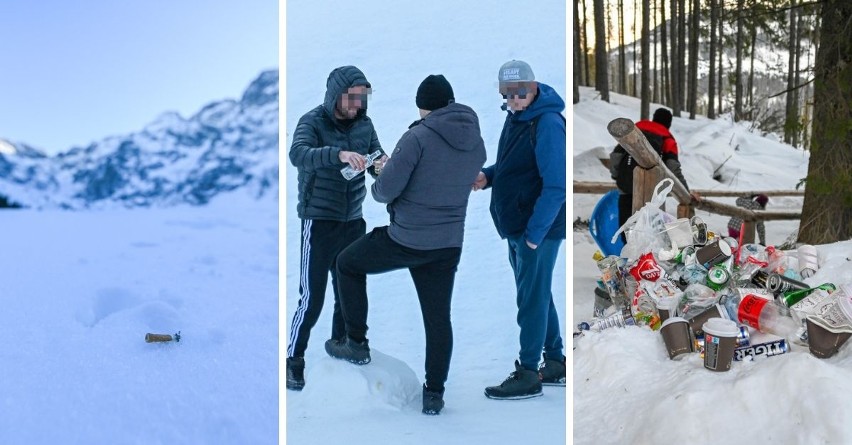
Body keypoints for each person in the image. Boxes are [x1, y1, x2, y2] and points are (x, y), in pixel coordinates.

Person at [325, 74, 487, 415]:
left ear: (422, 106)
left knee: (347, 264)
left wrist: (385, 170)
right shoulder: (475, 139)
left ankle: (356, 343)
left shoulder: (417, 137)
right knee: (438, 318)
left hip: (406, 239)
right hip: (447, 245)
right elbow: (453, 177)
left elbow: (385, 192)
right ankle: (434, 394)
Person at [286, 65, 387, 391]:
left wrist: (380, 165)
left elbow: (376, 155)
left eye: (362, 98)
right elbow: (298, 154)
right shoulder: (312, 121)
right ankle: (293, 360)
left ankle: (342, 343)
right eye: (352, 97)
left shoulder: (365, 124)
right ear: (336, 95)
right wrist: (338, 154)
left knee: (349, 290)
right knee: (311, 297)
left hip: (353, 221)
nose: (357, 105)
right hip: (319, 221)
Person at [472, 60, 566, 400]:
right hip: (518, 224)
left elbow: (556, 185)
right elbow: (517, 165)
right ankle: (555, 361)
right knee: (538, 293)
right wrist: (489, 176)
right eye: (507, 95)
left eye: (519, 93)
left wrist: (533, 235)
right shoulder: (519, 117)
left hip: (535, 228)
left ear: (534, 85)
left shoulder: (548, 122)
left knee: (530, 297)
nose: (513, 100)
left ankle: (528, 372)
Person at [609, 107, 700, 243]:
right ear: (669, 123)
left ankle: (628, 259)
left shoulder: (635, 130)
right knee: (649, 234)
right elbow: (673, 169)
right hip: (651, 192)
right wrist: (686, 193)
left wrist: (616, 176)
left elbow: (616, 156)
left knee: (627, 231)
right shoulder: (667, 138)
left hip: (625, 186)